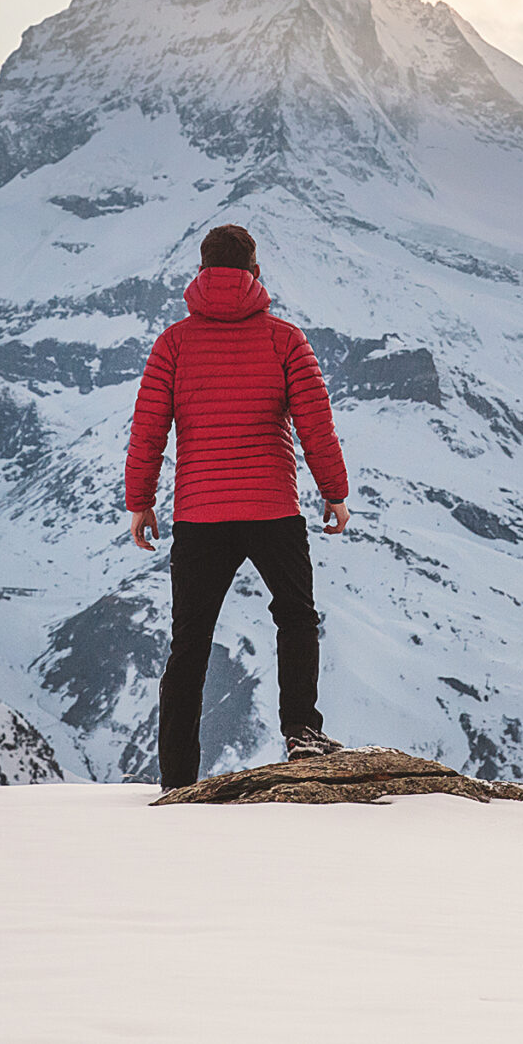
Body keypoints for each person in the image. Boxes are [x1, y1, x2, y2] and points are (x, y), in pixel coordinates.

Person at [125, 223, 352, 790]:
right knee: (295, 616)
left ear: (201, 271)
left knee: (190, 640)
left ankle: (177, 776)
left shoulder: (173, 343)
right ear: (255, 270)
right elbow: (314, 424)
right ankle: (302, 731)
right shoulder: (285, 339)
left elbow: (149, 429)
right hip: (272, 507)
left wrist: (140, 502)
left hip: (200, 514)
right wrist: (334, 493)